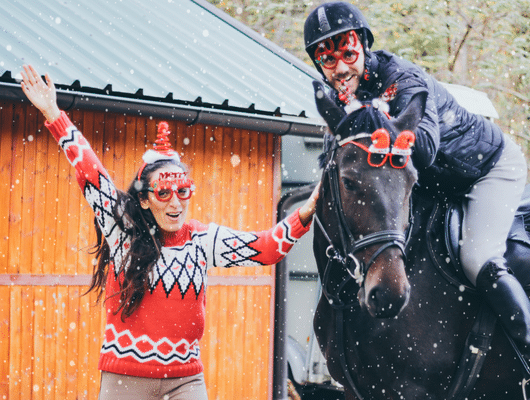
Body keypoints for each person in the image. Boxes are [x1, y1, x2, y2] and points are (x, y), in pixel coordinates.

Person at [20, 64, 319, 400]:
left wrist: (304, 213)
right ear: (146, 200)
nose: (175, 202)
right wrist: (52, 112)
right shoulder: (123, 234)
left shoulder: (202, 240)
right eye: (163, 193)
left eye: (183, 191)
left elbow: (266, 249)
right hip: (125, 379)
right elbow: (91, 173)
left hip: (185, 381)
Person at [304, 2, 530, 360]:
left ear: (363, 44)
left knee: (477, 257)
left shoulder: (403, 79)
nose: (341, 68)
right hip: (430, 183)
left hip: (485, 171)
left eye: (348, 53)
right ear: (319, 63)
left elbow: (422, 150)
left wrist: (372, 115)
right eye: (328, 60)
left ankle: (526, 347)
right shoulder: (338, 96)